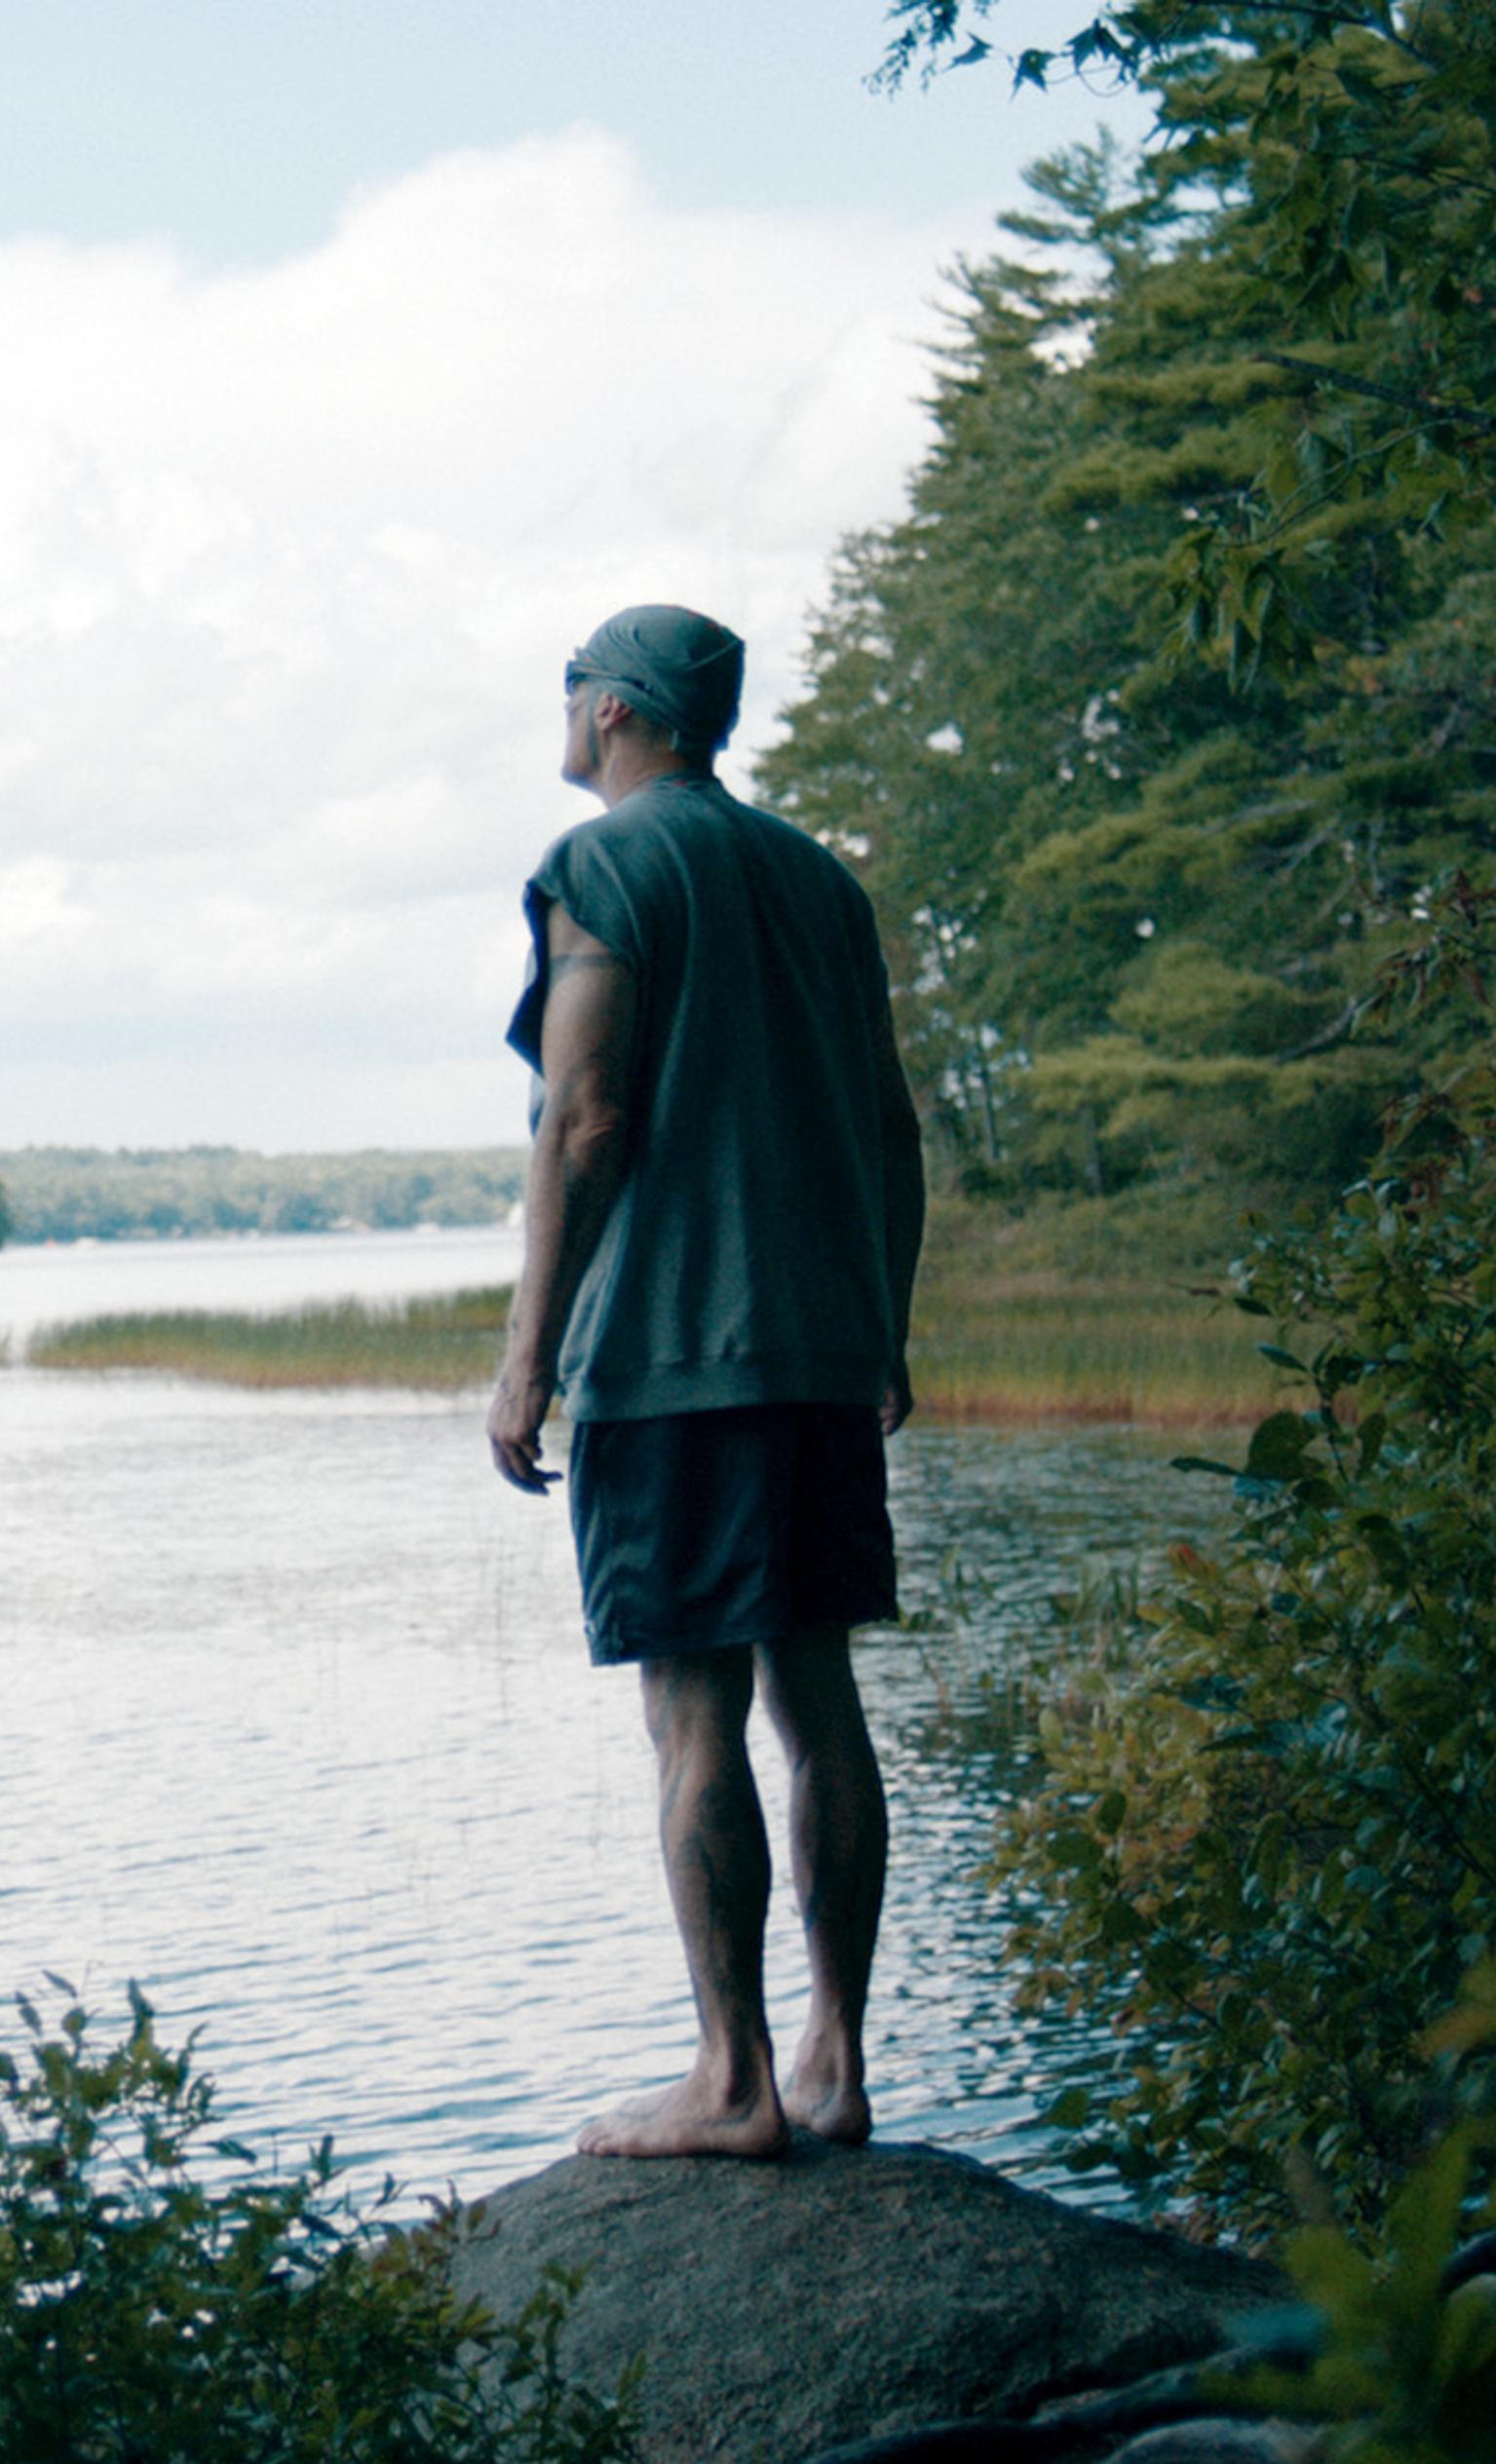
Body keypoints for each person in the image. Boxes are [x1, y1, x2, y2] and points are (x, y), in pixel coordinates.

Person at [485, 603, 926, 2160]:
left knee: (694, 1723)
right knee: (824, 1711)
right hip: (817, 1352)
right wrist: (882, 1323)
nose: (563, 716)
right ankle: (838, 2065)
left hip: (667, 1361)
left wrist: (527, 1358)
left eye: (569, 693)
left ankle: (731, 2080)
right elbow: (889, 1126)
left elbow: (585, 1118)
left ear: (615, 712)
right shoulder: (822, 883)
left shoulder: (602, 867)